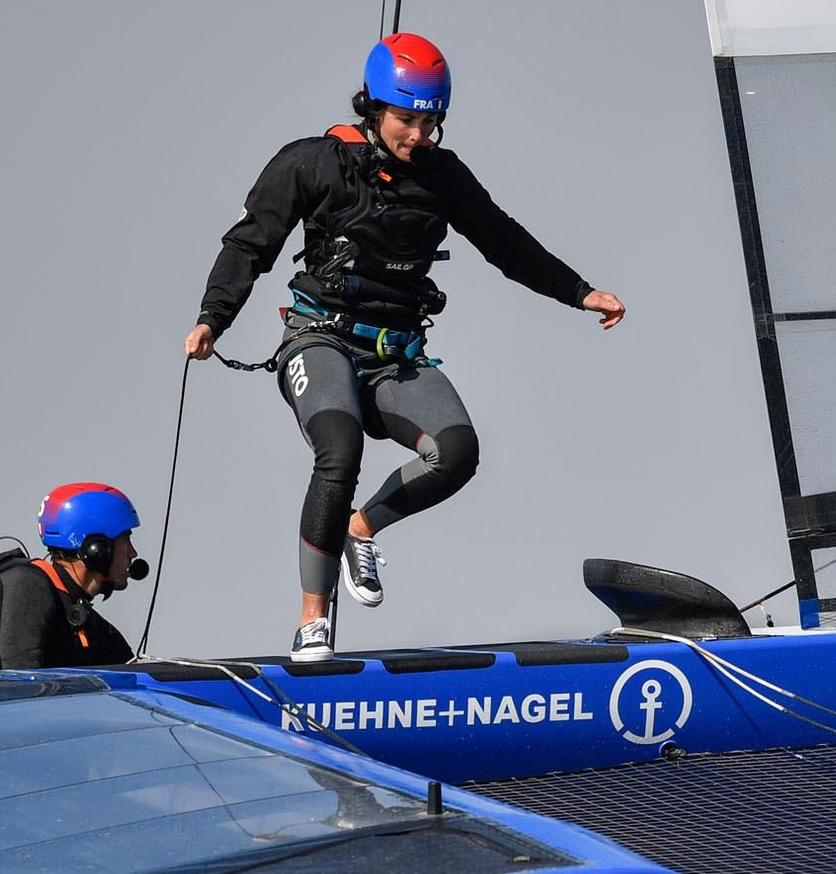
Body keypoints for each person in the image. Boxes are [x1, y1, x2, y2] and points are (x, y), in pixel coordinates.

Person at [183, 32, 626, 662]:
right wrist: (213, 318)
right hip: (321, 338)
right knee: (340, 447)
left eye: (430, 123)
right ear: (372, 106)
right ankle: (313, 624)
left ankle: (360, 528)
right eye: (405, 120)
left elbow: (506, 243)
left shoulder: (443, 178)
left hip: (395, 352)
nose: (418, 136)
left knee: (458, 452)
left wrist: (580, 292)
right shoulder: (312, 162)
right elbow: (250, 244)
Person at [0, 483, 142, 670]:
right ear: (96, 548)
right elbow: (25, 689)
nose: (133, 553)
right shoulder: (28, 587)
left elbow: (134, 673)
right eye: (125, 540)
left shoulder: (80, 615)